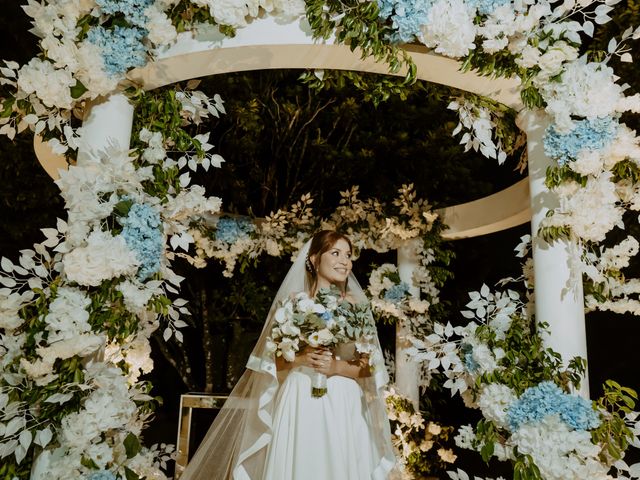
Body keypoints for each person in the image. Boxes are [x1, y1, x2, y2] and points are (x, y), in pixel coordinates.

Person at [180, 230, 396, 480]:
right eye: (335, 253)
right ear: (315, 260)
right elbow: (273, 363)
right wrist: (303, 359)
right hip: (300, 398)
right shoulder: (292, 304)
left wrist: (336, 367)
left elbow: (370, 367)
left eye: (348, 255)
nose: (344, 261)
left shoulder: (356, 306)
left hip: (342, 402)